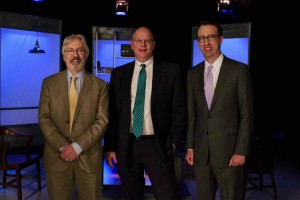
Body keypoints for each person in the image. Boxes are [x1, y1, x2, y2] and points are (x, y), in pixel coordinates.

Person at [104, 27, 187, 200]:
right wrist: (110, 146)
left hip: (157, 145)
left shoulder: (171, 71)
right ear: (132, 44)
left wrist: (172, 143)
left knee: (167, 195)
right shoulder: (119, 74)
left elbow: (179, 111)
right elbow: (113, 113)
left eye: (147, 40)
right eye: (139, 41)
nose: (143, 44)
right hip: (127, 145)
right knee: (132, 195)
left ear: (154, 45)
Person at [185, 20, 254, 200]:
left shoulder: (239, 70)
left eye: (211, 37)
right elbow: (192, 115)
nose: (206, 42)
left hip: (229, 153)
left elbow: (246, 114)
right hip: (201, 153)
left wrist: (241, 150)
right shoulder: (192, 74)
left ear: (221, 39)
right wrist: (190, 147)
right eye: (201, 38)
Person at [38, 34, 109, 200]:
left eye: (80, 50)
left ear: (87, 54)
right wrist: (64, 147)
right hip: (57, 157)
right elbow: (44, 118)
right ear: (63, 55)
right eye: (70, 50)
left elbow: (102, 121)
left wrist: (77, 147)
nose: (75, 55)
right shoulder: (49, 83)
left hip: (89, 159)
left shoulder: (101, 86)